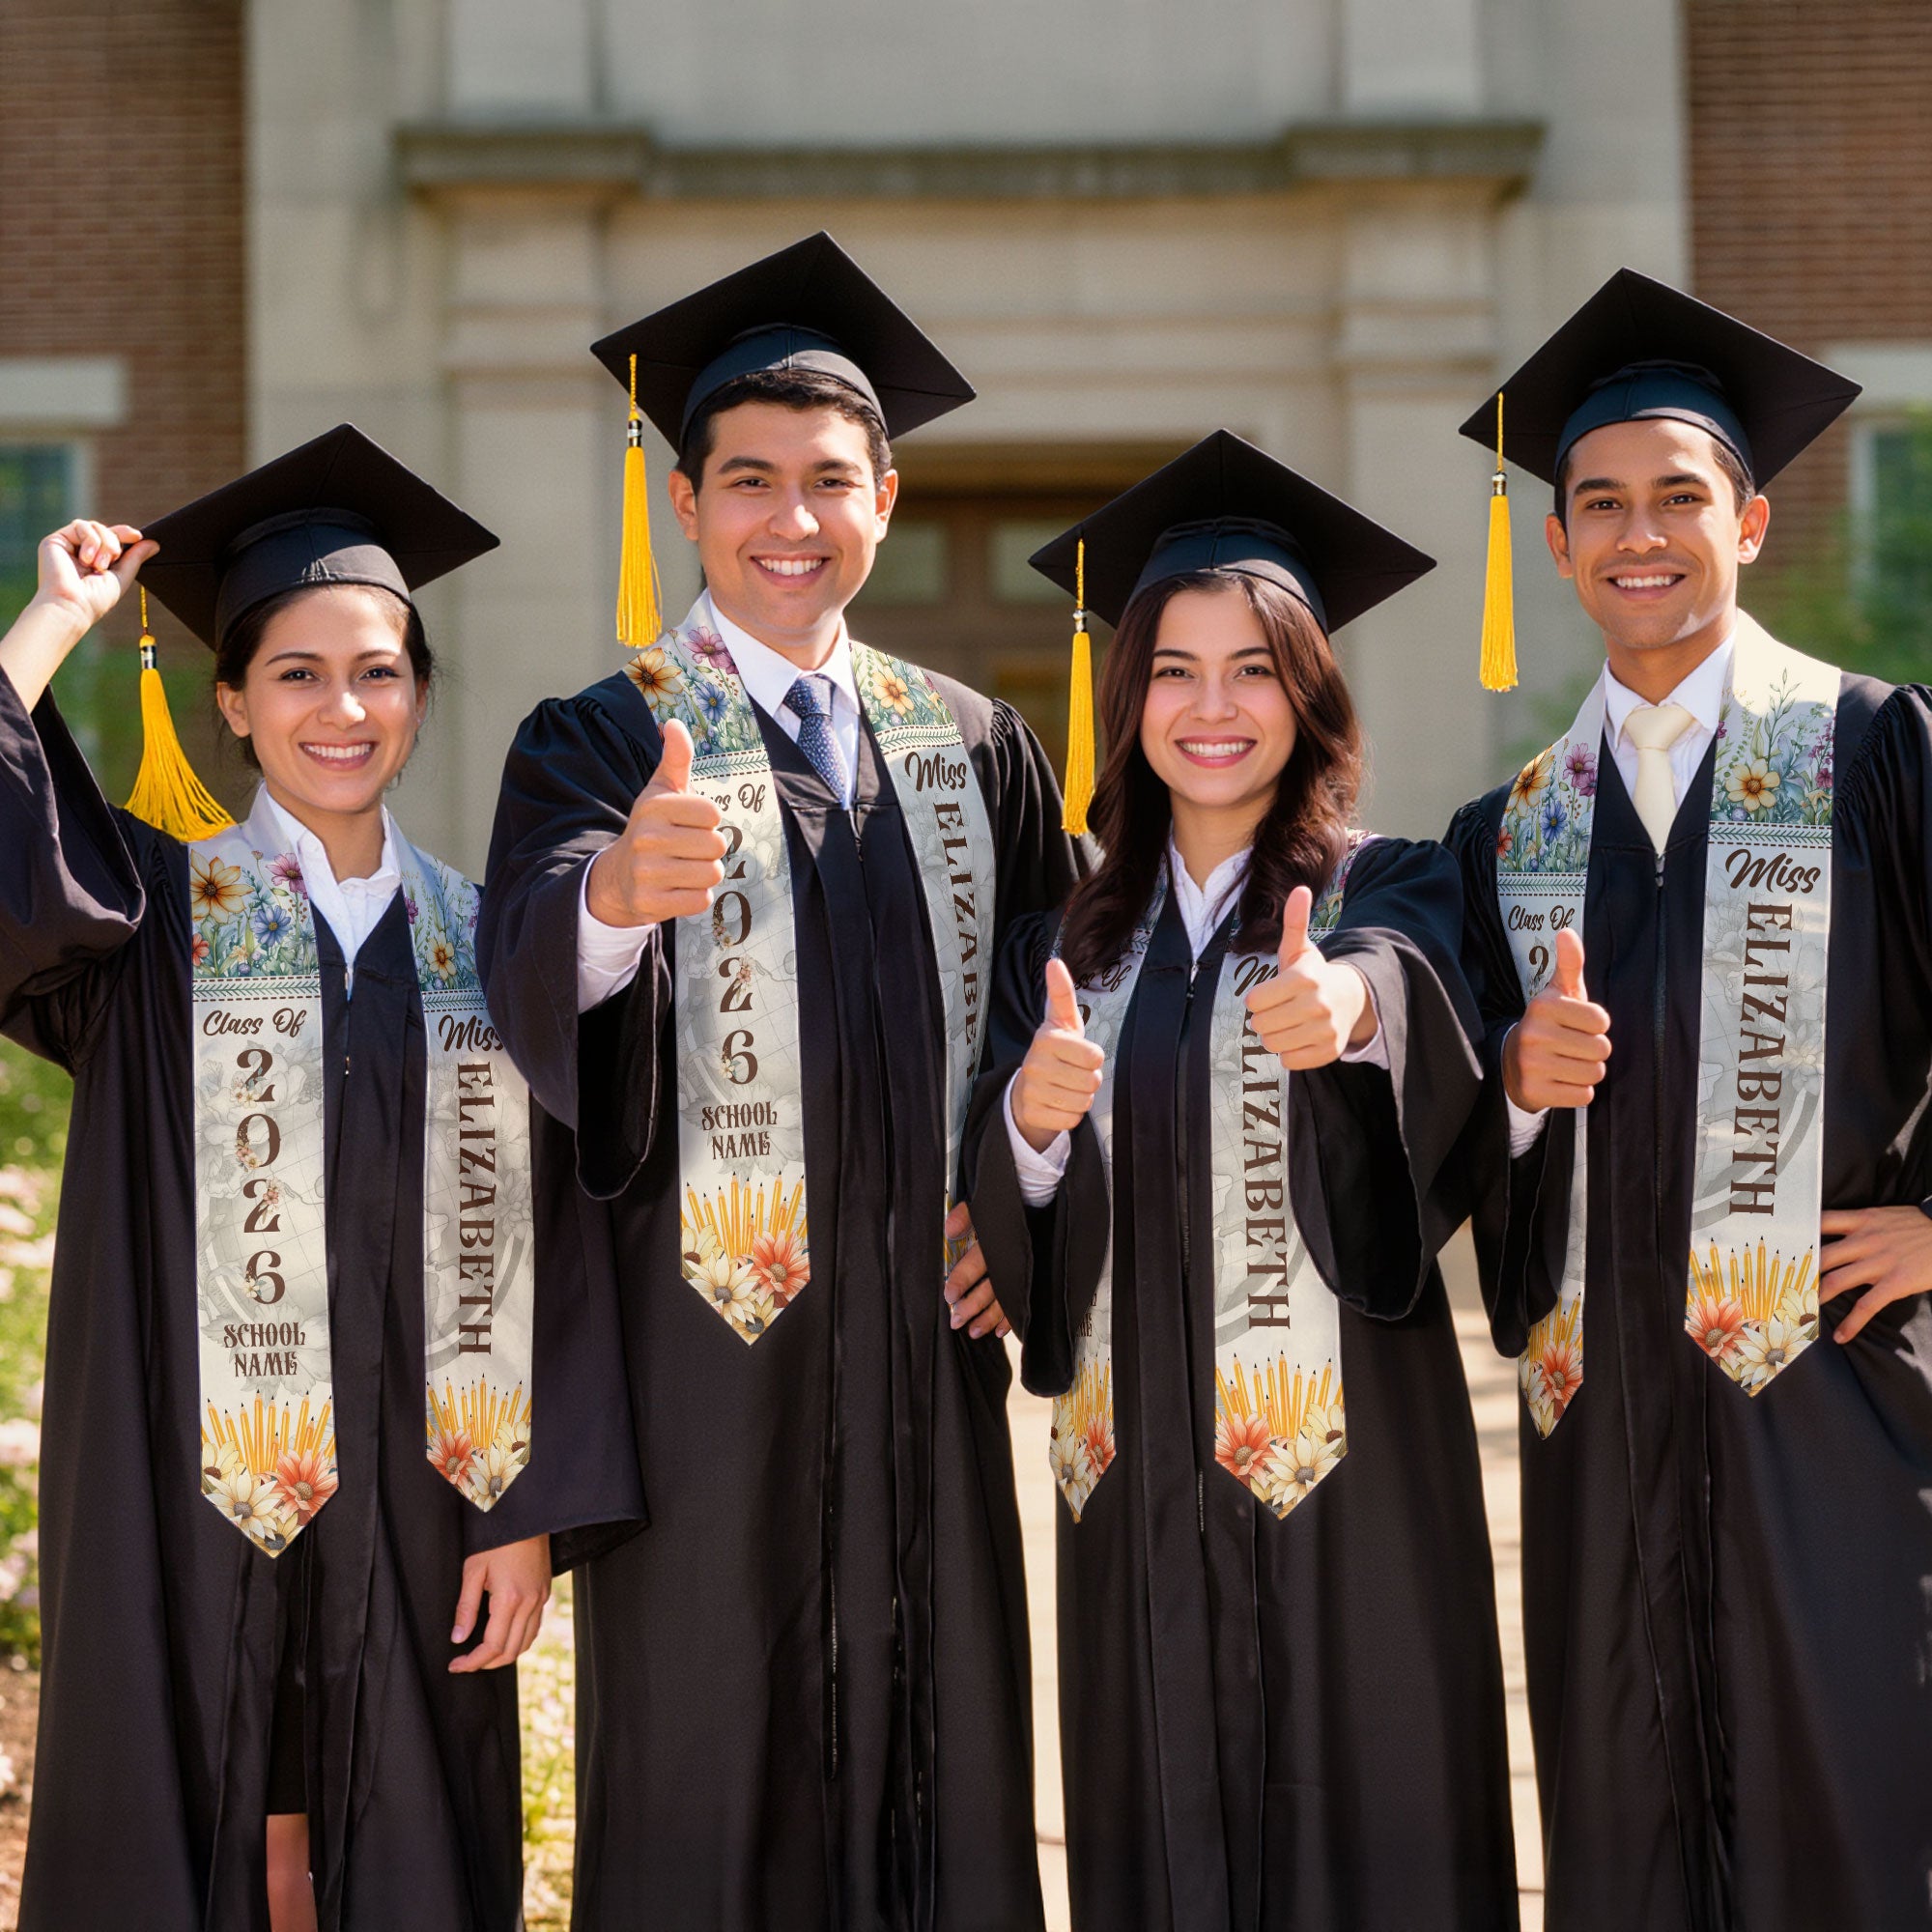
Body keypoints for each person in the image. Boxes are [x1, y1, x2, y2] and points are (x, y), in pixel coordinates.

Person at [479, 233, 1082, 1931]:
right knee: (709, 1776)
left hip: (924, 1360)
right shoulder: (599, 737)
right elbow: (528, 970)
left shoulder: (972, 742)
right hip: (708, 1377)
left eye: (831, 481)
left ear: (886, 497)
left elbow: (1072, 1007)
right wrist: (610, 899)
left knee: (943, 1760)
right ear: (686, 503)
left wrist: (1020, 1199)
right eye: (749, 482)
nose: (790, 520)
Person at [0, 425, 640, 1932]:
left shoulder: (492, 944)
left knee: (407, 1838)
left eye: (378, 671)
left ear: (419, 695)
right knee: (196, 1813)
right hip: (182, 1488)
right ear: (230, 701)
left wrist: (527, 1507)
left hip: (428, 1498)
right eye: (295, 673)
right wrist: (51, 624)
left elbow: (567, 1234)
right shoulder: (151, 922)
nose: (340, 708)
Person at [964, 431, 1519, 1930]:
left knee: (1374, 1833)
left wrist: (1348, 1014)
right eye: (1175, 670)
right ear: (1127, 696)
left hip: (1352, 1484)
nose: (1214, 709)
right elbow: (1008, 1195)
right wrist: (1026, 1118)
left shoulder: (1387, 883)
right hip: (1135, 1480)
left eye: (1256, 669)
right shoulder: (1066, 943)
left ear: (1311, 693)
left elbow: (1412, 988)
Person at [1446, 270, 1932, 1931]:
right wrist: (1510, 1089)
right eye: (1599, 504)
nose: (1637, 534)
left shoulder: (1876, 753)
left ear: (1753, 518)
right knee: (1625, 1831)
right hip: (1602, 1434)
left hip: (1837, 1409)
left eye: (1678, 497)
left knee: (1854, 1815)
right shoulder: (1508, 829)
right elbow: (1442, 1138)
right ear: (1561, 542)